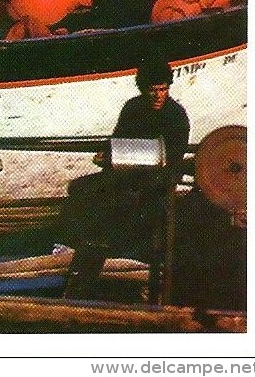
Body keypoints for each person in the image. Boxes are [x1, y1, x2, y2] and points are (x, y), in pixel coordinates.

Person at [62, 55, 190, 300]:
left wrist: (145, 179)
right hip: (125, 175)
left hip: (157, 181)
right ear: (143, 90)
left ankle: (100, 256)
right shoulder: (133, 108)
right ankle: (87, 250)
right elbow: (117, 143)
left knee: (122, 203)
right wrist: (105, 157)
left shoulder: (177, 117)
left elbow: (173, 162)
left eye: (162, 90)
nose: (158, 95)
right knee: (78, 189)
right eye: (152, 90)